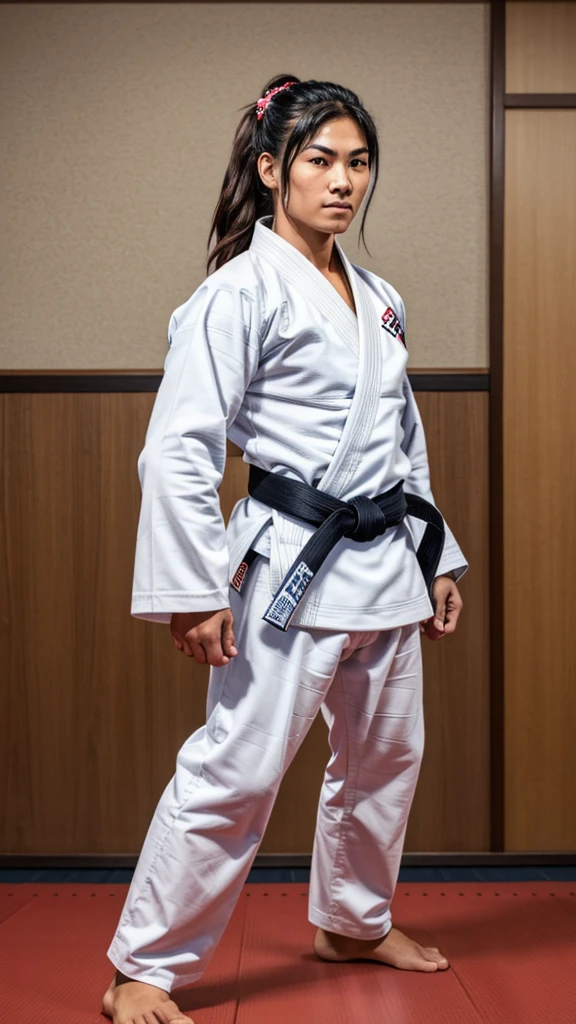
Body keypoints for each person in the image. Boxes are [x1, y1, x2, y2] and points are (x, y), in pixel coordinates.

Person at [102, 74, 468, 1024]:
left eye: (358, 162)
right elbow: (180, 445)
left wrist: (438, 556)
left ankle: (352, 919)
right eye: (319, 160)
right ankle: (142, 966)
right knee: (237, 768)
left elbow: (401, 439)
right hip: (290, 565)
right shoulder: (237, 292)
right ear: (271, 170)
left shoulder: (378, 297)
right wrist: (191, 588)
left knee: (386, 759)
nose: (343, 180)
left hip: (385, 561)